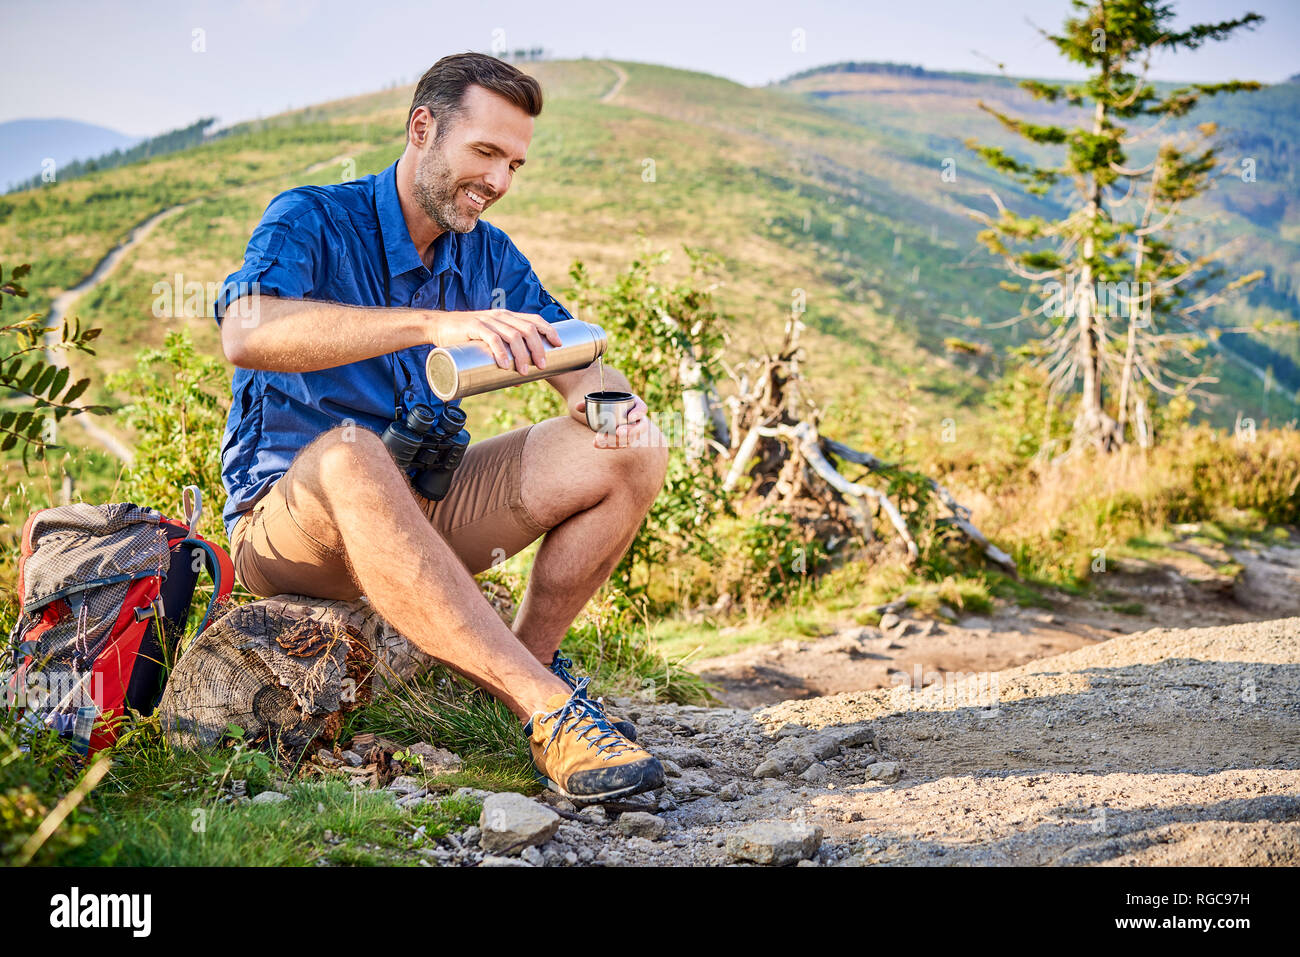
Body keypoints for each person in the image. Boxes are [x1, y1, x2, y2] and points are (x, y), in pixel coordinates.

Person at [215, 52, 667, 801]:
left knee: (632, 447)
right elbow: (247, 330)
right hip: (290, 529)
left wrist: (611, 404)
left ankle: (523, 675)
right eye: (485, 153)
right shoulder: (312, 218)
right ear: (422, 128)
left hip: (422, 506)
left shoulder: (488, 253)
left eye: (515, 164)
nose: (499, 182)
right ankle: (548, 710)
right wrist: (432, 323)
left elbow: (576, 360)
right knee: (355, 454)